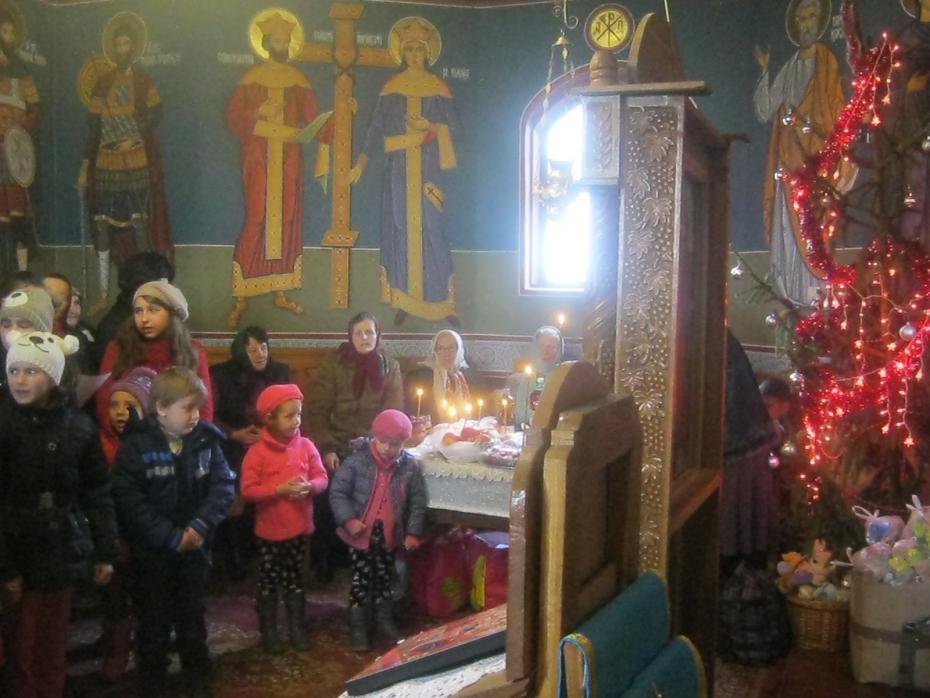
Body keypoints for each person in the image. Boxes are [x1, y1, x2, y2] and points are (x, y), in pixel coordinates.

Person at [0, 331, 118, 697]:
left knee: (51, 636)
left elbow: (97, 492)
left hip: (58, 545)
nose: (20, 379)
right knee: (18, 639)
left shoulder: (79, 428)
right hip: (13, 544)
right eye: (14, 370)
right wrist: (6, 567)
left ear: (53, 377)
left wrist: (105, 550)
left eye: (31, 371)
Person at [112, 367, 235, 698]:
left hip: (195, 548)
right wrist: (170, 536)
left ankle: (197, 675)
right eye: (187, 408)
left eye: (198, 408)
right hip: (152, 554)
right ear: (162, 408)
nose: (195, 416)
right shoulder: (136, 447)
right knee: (153, 620)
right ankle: (152, 681)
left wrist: (199, 526)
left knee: (192, 616)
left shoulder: (207, 441)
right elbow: (130, 501)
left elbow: (223, 486)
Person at [349, 17, 460, 326]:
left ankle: (444, 302)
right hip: (398, 171)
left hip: (429, 171)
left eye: (419, 50)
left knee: (432, 229)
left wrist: (432, 126)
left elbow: (456, 129)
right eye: (409, 50)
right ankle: (404, 300)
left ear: (428, 53)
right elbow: (374, 128)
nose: (414, 55)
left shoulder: (439, 89)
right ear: (402, 54)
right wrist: (361, 163)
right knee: (401, 228)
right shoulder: (392, 88)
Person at [225, 10, 329, 328]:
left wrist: (333, 121)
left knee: (286, 218)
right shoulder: (251, 79)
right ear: (267, 43)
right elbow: (233, 118)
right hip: (259, 158)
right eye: (277, 40)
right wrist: (259, 111)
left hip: (289, 160)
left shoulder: (299, 81)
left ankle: (281, 290)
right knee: (257, 216)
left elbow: (313, 120)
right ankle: (242, 294)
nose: (282, 45)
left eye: (286, 40)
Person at [753, 0, 848, 304]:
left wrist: (807, 124)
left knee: (814, 228)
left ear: (820, 22)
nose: (805, 24)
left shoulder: (827, 61)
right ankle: (790, 296)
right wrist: (765, 71)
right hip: (787, 160)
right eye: (801, 18)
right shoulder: (791, 65)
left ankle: (815, 295)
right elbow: (766, 110)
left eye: (811, 17)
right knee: (786, 228)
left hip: (816, 164)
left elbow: (837, 115)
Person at [78, 11, 174, 304]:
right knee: (103, 224)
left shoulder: (144, 81)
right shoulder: (102, 83)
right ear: (113, 48)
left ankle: (147, 291)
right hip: (106, 161)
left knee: (139, 221)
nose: (122, 49)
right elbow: (93, 127)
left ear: (133, 48)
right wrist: (85, 165)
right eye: (118, 44)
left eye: (127, 44)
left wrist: (136, 132)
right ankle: (103, 294)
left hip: (135, 158)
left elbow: (156, 113)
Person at [306, 312, 404, 582]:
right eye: (358, 333)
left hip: (375, 447)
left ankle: (370, 560)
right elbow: (317, 410)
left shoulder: (390, 366)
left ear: (378, 335)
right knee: (327, 491)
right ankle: (325, 560)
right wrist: (328, 448)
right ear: (350, 336)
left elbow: (393, 412)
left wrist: (371, 448)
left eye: (369, 332)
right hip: (336, 444)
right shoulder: (334, 364)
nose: (364, 338)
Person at [329, 409, 427, 652]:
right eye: (382, 441)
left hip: (390, 537)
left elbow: (417, 503)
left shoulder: (409, 467)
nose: (386, 449)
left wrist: (412, 534)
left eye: (394, 444)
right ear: (374, 436)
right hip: (360, 536)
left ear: (403, 443)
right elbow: (338, 492)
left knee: (385, 579)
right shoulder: (357, 461)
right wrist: (349, 520)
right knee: (361, 580)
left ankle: (383, 619)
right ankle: (358, 626)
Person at [241, 384, 328, 654]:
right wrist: (277, 490)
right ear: (270, 418)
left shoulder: (306, 445)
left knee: (295, 578)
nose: (296, 420)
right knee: (269, 580)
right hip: (269, 532)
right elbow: (247, 490)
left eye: (298, 414)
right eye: (289, 416)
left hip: (299, 528)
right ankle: (269, 630)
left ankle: (297, 626)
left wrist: (310, 487)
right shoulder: (257, 452)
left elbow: (322, 477)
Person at [210, 326, 291, 581]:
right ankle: (233, 556)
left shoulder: (280, 372)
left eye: (263, 348)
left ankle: (266, 553)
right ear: (240, 352)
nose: (260, 354)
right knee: (232, 479)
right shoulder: (221, 374)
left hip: (272, 441)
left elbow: (290, 412)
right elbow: (210, 415)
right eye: (252, 350)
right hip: (231, 442)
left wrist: (268, 435)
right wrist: (233, 434)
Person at [97, 365, 154, 682]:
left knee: (146, 594)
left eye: (129, 406)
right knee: (114, 595)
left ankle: (148, 649)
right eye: (114, 405)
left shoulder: (151, 444)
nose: (120, 412)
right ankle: (115, 649)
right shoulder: (98, 443)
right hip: (113, 532)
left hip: (145, 532)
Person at [96, 279, 214, 425]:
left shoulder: (192, 350)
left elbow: (204, 408)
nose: (144, 319)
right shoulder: (118, 348)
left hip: (181, 433)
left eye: (153, 310)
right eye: (139, 311)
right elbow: (104, 404)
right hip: (129, 433)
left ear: (171, 314)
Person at [720, 330, 780, 578]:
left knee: (737, 503)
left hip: (738, 440)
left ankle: (737, 563)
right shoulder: (721, 337)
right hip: (742, 437)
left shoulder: (714, 337)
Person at [0, 6, 39, 277]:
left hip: (15, 151)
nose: (8, 37)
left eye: (11, 33)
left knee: (17, 215)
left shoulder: (23, 74)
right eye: (4, 31)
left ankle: (22, 273)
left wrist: (20, 129)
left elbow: (36, 108)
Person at [92, 251, 174, 369]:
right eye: (160, 286)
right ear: (139, 285)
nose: (167, 291)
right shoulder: (114, 327)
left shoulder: (162, 318)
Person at [405, 328, 472, 423]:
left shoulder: (469, 375)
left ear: (459, 349)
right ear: (434, 351)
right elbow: (413, 411)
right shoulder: (419, 377)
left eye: (451, 347)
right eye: (441, 348)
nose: (447, 353)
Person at [506, 325, 564, 426]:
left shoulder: (563, 376)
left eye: (550, 347)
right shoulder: (526, 378)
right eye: (541, 346)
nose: (545, 352)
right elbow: (519, 413)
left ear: (558, 350)